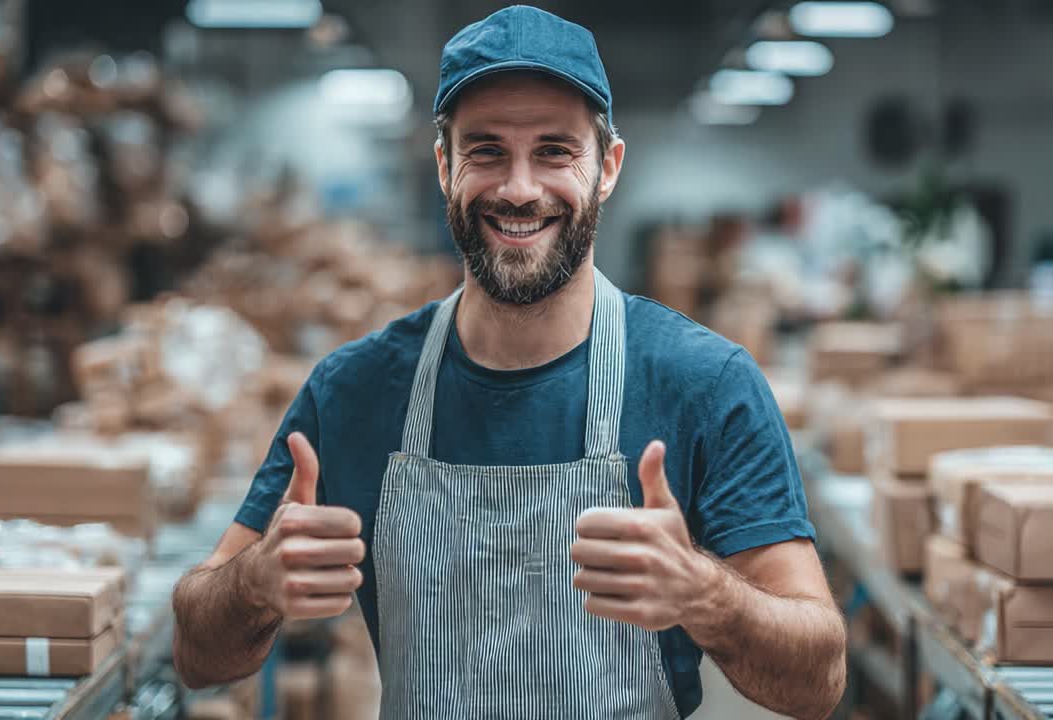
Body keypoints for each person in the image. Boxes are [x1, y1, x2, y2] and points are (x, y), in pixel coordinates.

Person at [172, 6, 846, 719]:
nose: (519, 188)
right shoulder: (356, 391)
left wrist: (705, 595)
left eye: (555, 150)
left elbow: (819, 680)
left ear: (607, 168)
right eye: (486, 151)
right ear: (444, 166)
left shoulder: (704, 385)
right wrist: (252, 583)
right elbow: (196, 652)